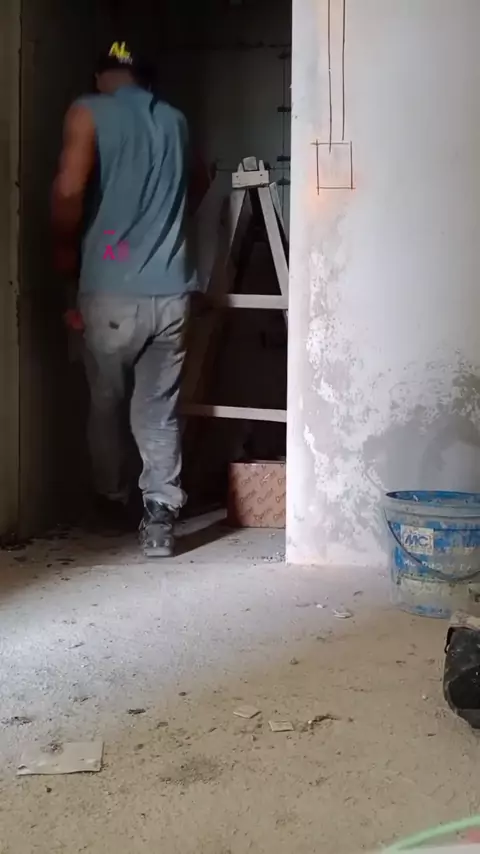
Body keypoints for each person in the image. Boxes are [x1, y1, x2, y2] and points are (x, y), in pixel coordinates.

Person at [52, 41, 208, 557]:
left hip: (111, 288)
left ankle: (111, 501)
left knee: (105, 402)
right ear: (146, 78)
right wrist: (161, 228)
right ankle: (160, 517)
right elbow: (200, 181)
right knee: (158, 409)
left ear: (101, 76)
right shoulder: (176, 120)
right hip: (173, 290)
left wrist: (65, 254)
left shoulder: (88, 112)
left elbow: (69, 191)